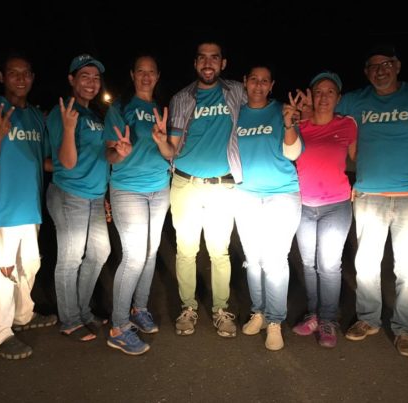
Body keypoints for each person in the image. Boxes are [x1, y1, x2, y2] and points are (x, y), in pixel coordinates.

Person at [336, 44, 408, 357]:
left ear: (397, 66)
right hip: (368, 197)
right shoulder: (354, 101)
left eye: (386, 63)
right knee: (366, 265)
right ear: (366, 72)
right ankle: (368, 318)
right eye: (373, 66)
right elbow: (326, 114)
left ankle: (404, 329)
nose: (380, 70)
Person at [0, 52, 56, 360]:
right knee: (3, 273)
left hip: (30, 206)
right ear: (1, 77)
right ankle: (0, 334)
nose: (20, 78)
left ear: (32, 78)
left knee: (29, 265)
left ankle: (23, 315)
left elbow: (44, 161)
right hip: (4, 209)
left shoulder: (34, 116)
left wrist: (78, 163)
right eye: (13, 73)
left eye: (26, 73)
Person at [168, 40, 246, 338]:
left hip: (222, 186)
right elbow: (173, 144)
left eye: (214, 57)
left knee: (219, 251)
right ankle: (188, 307)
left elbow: (262, 111)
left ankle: (220, 310)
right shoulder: (180, 98)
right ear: (195, 63)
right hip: (185, 183)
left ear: (223, 63)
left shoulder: (237, 92)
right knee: (186, 250)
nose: (208, 63)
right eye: (202, 58)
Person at [103, 55, 174, 355]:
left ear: (158, 76)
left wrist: (161, 140)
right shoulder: (120, 109)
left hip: (159, 188)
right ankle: (118, 327)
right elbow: (109, 154)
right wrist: (120, 152)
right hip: (128, 189)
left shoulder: (162, 109)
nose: (146, 77)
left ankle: (139, 309)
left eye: (151, 72)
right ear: (132, 75)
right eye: (140, 72)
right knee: (134, 256)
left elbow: (170, 153)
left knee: (150, 251)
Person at [234, 64, 303, 350]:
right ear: (245, 82)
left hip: (282, 194)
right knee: (253, 259)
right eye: (254, 80)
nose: (259, 85)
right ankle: (259, 312)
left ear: (271, 85)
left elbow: (293, 152)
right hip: (245, 194)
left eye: (265, 81)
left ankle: (275, 321)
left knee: (274, 260)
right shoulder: (236, 113)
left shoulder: (281, 111)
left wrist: (288, 124)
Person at [46, 54, 111, 342]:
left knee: (99, 252)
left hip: (94, 196)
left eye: (96, 77)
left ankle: (83, 311)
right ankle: (70, 319)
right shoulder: (63, 112)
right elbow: (68, 162)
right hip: (70, 194)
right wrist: (69, 129)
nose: (91, 82)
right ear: (72, 80)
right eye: (85, 76)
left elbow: (97, 158)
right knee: (70, 258)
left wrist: (104, 192)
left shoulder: (93, 115)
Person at [291, 72, 357, 349]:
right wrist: (294, 118)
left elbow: (360, 157)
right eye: (319, 91)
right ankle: (314, 314)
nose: (324, 96)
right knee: (308, 264)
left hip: (336, 205)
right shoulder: (300, 126)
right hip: (303, 205)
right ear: (312, 95)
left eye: (330, 92)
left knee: (328, 265)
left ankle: (328, 319)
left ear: (338, 98)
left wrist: (363, 186)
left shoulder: (347, 124)